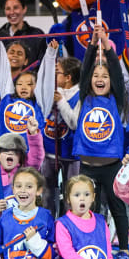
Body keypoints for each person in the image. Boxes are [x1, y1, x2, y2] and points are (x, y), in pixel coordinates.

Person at [73, 25, 129, 259]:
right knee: (90, 211)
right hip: (87, 166)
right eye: (97, 76)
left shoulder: (116, 100)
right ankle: (93, 249)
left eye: (104, 77)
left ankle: (124, 252)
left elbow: (117, 73)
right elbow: (85, 71)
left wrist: (106, 44)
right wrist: (90, 45)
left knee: (118, 210)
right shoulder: (84, 95)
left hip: (112, 166)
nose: (99, 79)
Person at [53, 174, 115, 259]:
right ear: (68, 199)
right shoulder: (63, 224)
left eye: (87, 194)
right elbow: (68, 253)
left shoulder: (101, 220)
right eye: (76, 195)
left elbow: (107, 246)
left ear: (93, 197)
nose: (82, 198)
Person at [41, 55, 82, 216]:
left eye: (58, 72)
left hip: (71, 155)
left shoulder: (80, 95)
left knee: (70, 194)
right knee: (46, 194)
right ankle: (48, 226)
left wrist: (61, 102)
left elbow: (74, 123)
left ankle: (68, 227)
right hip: (49, 153)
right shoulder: (50, 91)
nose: (54, 76)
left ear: (68, 77)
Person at [0, 125, 45, 221]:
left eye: (15, 151)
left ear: (21, 156)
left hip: (25, 227)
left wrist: (33, 134)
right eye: (4, 151)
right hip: (2, 231)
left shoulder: (26, 172)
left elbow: (37, 156)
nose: (10, 153)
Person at [0, 0, 47, 66]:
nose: (12, 12)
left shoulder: (37, 35)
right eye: (8, 9)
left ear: (24, 9)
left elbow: (43, 64)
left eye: (16, 8)